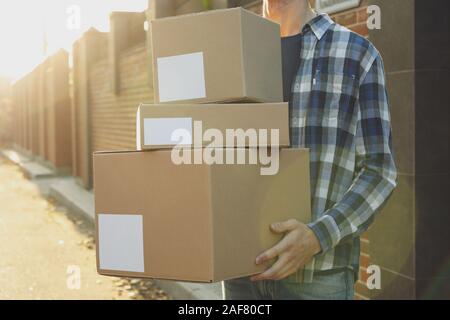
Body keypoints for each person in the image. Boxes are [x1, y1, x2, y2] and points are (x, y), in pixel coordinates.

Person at [223, 0, 397, 300]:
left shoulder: (356, 54)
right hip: (238, 272)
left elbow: (379, 171)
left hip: (318, 277)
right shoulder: (230, 56)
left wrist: (318, 235)